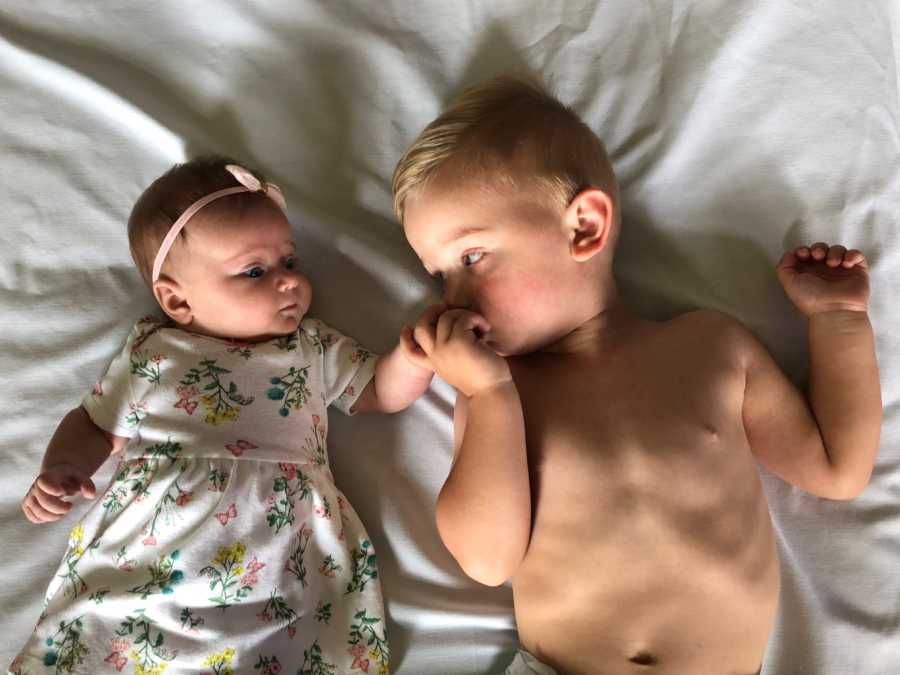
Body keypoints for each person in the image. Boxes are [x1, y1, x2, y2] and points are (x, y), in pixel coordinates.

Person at [392, 76, 882, 675]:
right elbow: (488, 560)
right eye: (439, 275)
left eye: (470, 257)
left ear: (583, 228)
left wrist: (839, 322)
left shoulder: (711, 348)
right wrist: (486, 393)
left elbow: (836, 468)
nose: (452, 297)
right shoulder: (501, 393)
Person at [12, 156, 433, 675]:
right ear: (177, 299)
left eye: (289, 262)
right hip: (156, 549)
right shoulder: (154, 352)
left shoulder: (309, 347)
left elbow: (377, 392)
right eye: (254, 271)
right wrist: (63, 468)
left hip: (282, 551)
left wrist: (413, 358)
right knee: (110, 625)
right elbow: (95, 423)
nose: (288, 282)